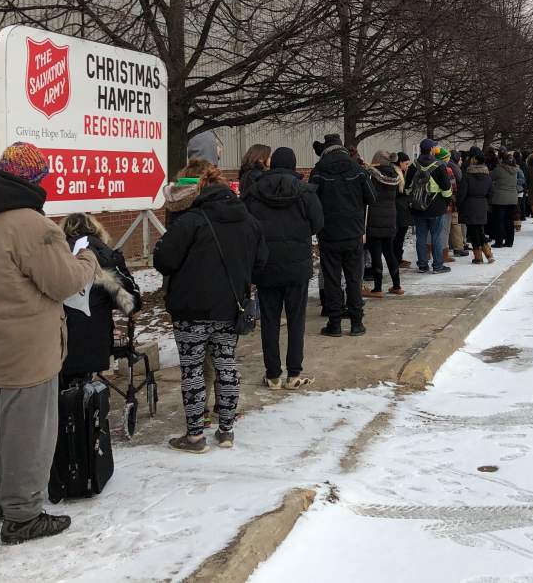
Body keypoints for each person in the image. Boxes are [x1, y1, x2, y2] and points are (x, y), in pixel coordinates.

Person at [0, 142, 99, 544]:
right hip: (28, 348)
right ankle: (23, 515)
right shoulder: (33, 225)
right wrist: (87, 259)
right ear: (33, 179)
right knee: (28, 434)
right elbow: (64, 282)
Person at [154, 165, 267, 453]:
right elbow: (260, 263)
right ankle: (227, 430)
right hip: (230, 307)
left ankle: (194, 436)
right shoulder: (249, 220)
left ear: (195, 190)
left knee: (192, 370)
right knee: (226, 364)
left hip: (190, 309)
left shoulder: (190, 221)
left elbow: (164, 261)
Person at [242, 147, 323, 390]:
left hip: (266, 265)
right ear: (294, 165)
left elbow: (246, 225)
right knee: (296, 319)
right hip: (297, 264)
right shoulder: (305, 192)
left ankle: (273, 374)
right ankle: (294, 373)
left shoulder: (254, 192)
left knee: (269, 320)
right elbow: (318, 223)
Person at [58, 214, 141, 384]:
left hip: (58, 342)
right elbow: (129, 300)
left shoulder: (56, 254)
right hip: (95, 340)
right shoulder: (106, 255)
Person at [309, 133, 375, 336]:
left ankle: (335, 323)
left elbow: (311, 202)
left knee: (332, 278)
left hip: (328, 233)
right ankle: (356, 322)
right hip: (353, 232)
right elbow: (372, 198)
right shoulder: (357, 169)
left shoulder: (319, 170)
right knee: (354, 277)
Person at [406, 138, 453, 274]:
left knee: (420, 236)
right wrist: (447, 202)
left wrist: (413, 200)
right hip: (436, 207)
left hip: (418, 207)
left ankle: (422, 265)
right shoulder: (439, 165)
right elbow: (446, 188)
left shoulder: (413, 165)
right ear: (432, 149)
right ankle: (438, 266)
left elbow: (408, 188)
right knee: (436, 236)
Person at [364, 151, 404, 296]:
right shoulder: (395, 175)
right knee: (389, 252)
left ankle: (378, 288)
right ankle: (397, 286)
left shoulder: (371, 176)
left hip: (374, 218)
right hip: (391, 218)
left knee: (376, 254)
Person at [459, 151, 494, 263]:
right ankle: (488, 254)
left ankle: (478, 257)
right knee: (479, 230)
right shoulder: (488, 177)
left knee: (474, 231)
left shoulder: (467, 175)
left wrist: (459, 204)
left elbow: (462, 193)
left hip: (469, 205)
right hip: (482, 205)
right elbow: (491, 193)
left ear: (474, 161)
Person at [489, 151, 519, 248]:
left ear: (502, 160)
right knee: (509, 221)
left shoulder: (499, 169)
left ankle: (499, 242)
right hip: (512, 198)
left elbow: (490, 177)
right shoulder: (515, 170)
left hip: (500, 199)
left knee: (499, 221)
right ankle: (509, 242)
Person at [394, 152, 413, 269]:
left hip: (401, 208)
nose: (407, 166)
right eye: (405, 163)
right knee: (398, 236)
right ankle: (397, 258)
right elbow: (398, 192)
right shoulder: (396, 174)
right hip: (399, 209)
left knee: (400, 235)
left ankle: (398, 257)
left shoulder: (401, 172)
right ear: (399, 162)